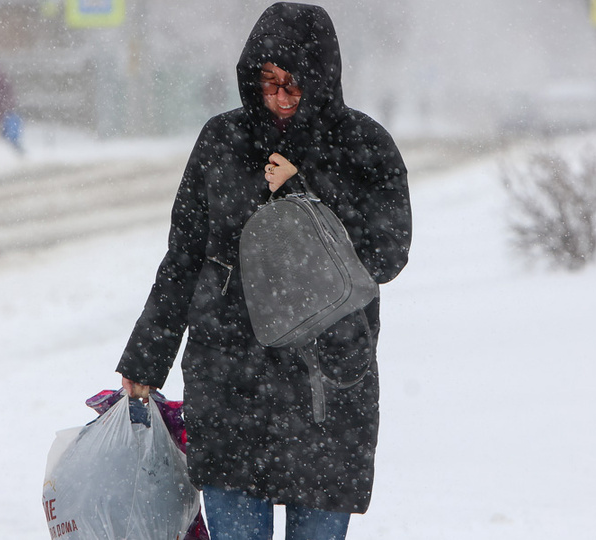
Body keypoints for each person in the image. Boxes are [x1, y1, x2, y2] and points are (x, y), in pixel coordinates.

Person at [116, 3, 411, 539]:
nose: (277, 97)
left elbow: (388, 254)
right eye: (267, 81)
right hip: (231, 380)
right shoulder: (221, 141)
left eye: (293, 86)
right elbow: (183, 256)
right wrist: (146, 356)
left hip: (327, 383)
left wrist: (307, 189)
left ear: (321, 83)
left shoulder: (365, 146)